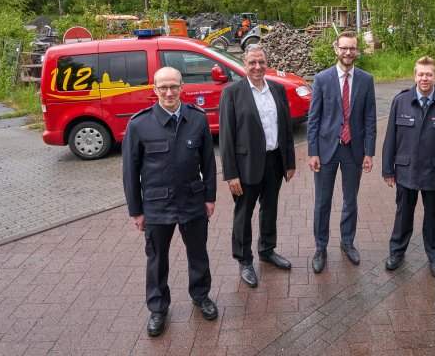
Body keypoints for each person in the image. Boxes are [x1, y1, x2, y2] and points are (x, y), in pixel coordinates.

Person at [122, 66, 218, 337]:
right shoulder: (139, 124)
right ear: (154, 90)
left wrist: (209, 197)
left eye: (173, 86)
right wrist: (136, 211)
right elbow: (130, 172)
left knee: (198, 253)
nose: (168, 92)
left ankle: (201, 296)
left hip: (193, 201)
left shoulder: (197, 119)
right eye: (163, 87)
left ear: (182, 87)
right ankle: (158, 308)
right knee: (156, 260)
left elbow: (209, 163)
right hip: (156, 206)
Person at [219, 44, 296, 288]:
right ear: (244, 65)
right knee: (244, 214)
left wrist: (290, 161)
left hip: (274, 161)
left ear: (267, 63)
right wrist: (231, 174)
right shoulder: (232, 93)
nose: (257, 67)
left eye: (261, 62)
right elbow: (226, 137)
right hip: (245, 166)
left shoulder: (277, 89)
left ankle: (267, 249)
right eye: (252, 62)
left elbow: (286, 129)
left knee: (270, 208)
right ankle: (244, 259)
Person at [381, 56, 435, 278]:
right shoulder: (401, 101)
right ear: (414, 75)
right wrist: (388, 169)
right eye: (420, 74)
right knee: (403, 213)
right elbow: (390, 139)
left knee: (433, 216)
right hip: (406, 170)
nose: (424, 78)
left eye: (429, 74)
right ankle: (396, 252)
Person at [307, 30, 377, 273]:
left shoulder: (366, 80)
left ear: (357, 51)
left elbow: (370, 119)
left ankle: (347, 242)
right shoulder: (322, 79)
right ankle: (320, 247)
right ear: (336, 49)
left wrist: (369, 152)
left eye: (352, 48)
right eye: (344, 48)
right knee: (322, 201)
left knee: (350, 200)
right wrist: (312, 151)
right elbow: (313, 118)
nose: (348, 52)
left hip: (353, 150)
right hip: (326, 149)